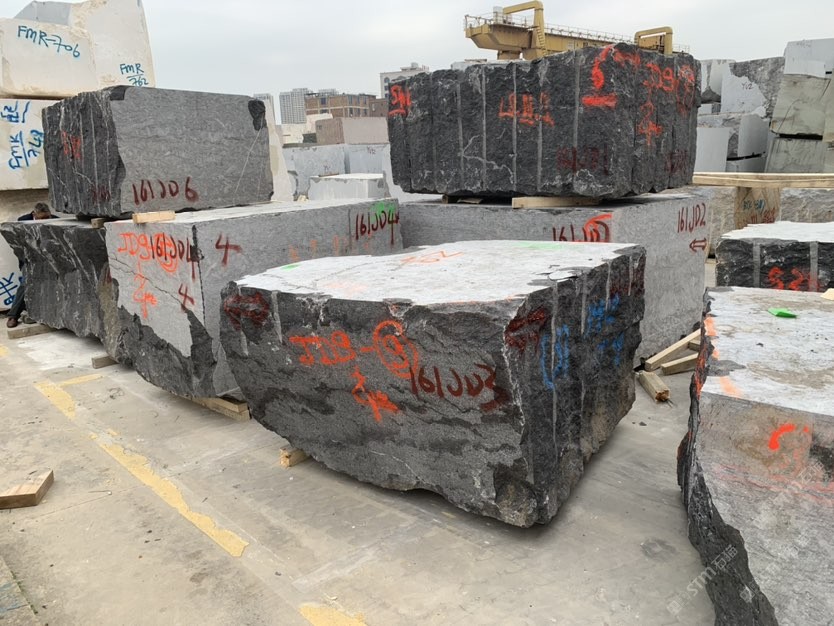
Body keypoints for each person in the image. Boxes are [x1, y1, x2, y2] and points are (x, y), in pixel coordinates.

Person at [6, 202, 56, 328]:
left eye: (47, 217)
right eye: (42, 218)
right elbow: (19, 245)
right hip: (30, 260)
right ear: (34, 214)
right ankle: (13, 315)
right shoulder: (23, 221)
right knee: (26, 282)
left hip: (49, 261)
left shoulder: (56, 220)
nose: (45, 221)